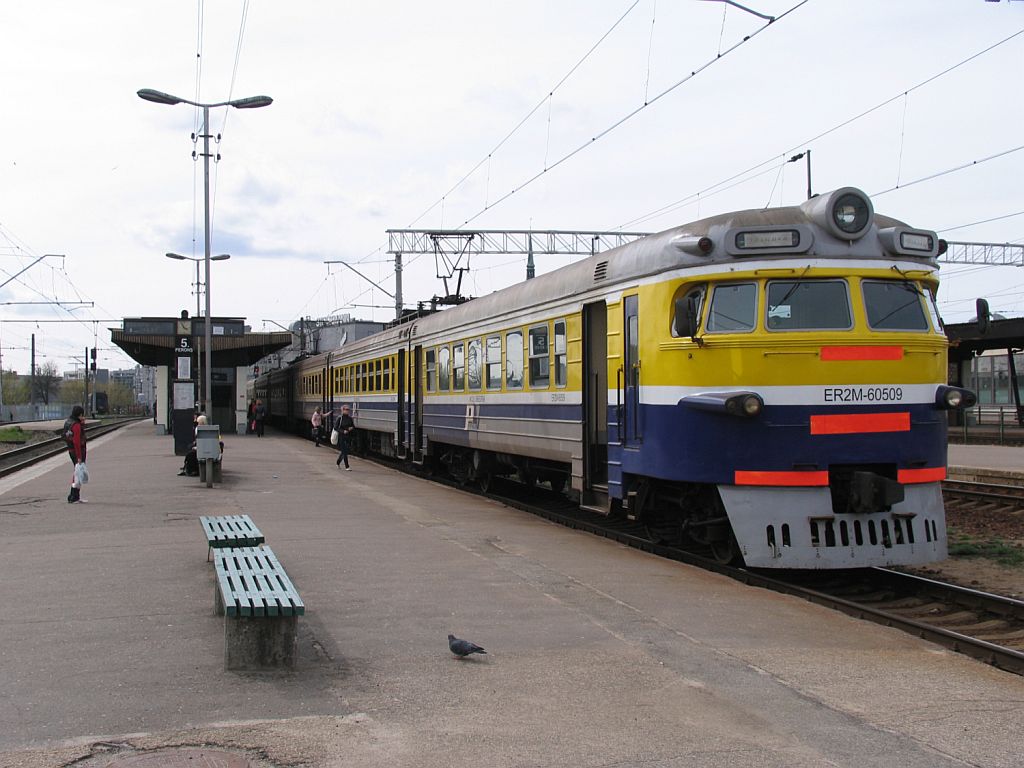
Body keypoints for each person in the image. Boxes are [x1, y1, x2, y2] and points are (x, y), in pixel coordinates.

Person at [62, 405, 88, 503]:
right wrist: (79, 457)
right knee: (78, 474)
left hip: (71, 450)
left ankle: (74, 495)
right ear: (79, 415)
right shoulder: (76, 425)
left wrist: (82, 424)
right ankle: (74, 496)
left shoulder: (69, 422)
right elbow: (77, 442)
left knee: (77, 473)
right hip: (78, 452)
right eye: (82, 415)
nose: (83, 417)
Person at [335, 404, 355, 470]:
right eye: (346, 409)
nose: (348, 411)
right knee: (344, 452)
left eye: (348, 409)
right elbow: (336, 428)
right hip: (342, 436)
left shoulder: (350, 419)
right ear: (342, 410)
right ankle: (347, 466)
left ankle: (338, 462)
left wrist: (351, 428)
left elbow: (353, 426)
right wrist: (343, 431)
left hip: (348, 436)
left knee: (345, 452)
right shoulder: (339, 418)